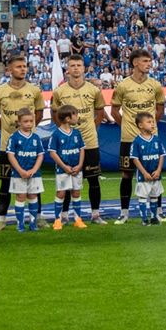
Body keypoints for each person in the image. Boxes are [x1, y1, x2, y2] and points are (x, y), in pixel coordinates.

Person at [0, 54, 44, 231]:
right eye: (18, 66)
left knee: (34, 182)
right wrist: (9, 130)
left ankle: (39, 217)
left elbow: (39, 114)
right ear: (9, 70)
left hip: (30, 146)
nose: (23, 69)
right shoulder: (0, 91)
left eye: (24, 66)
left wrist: (27, 129)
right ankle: (2, 219)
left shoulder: (34, 90)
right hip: (8, 145)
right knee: (5, 182)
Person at [51, 54, 108, 223]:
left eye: (79, 65)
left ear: (84, 68)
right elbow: (55, 114)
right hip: (67, 144)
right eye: (72, 65)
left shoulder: (93, 90)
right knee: (68, 180)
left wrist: (93, 128)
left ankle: (95, 214)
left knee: (93, 179)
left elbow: (99, 112)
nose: (76, 68)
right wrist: (63, 131)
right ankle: (65, 215)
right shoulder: (60, 91)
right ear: (67, 69)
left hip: (89, 142)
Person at [113, 49, 166, 224]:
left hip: (152, 139)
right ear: (135, 63)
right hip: (128, 139)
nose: (149, 64)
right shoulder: (123, 85)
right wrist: (129, 127)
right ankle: (124, 212)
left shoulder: (155, 85)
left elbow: (159, 109)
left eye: (149, 61)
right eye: (145, 61)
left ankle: (158, 211)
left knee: (155, 174)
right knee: (126, 175)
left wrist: (149, 128)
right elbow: (114, 111)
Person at [7, 109, 47, 232]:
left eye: (31, 121)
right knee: (21, 196)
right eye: (25, 121)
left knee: (33, 195)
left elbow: (40, 154)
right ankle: (20, 224)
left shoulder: (36, 137)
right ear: (19, 122)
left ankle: (33, 223)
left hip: (34, 174)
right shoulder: (14, 137)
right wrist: (20, 170)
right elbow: (11, 155)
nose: (29, 124)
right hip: (18, 174)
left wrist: (34, 169)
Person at [49, 104, 88, 229]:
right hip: (63, 170)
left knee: (76, 192)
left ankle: (77, 219)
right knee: (61, 193)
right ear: (67, 118)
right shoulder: (56, 134)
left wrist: (80, 165)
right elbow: (52, 152)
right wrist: (64, 166)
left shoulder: (77, 133)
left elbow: (82, 149)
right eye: (75, 114)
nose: (77, 117)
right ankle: (57, 220)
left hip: (76, 169)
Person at [129, 112, 166, 225]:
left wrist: (159, 170)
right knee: (143, 196)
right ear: (140, 125)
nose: (152, 124)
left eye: (153, 122)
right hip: (143, 176)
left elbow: (162, 155)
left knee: (155, 195)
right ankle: (144, 219)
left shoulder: (156, 139)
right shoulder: (137, 141)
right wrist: (144, 173)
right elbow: (135, 158)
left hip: (156, 174)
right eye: (149, 122)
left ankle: (154, 217)